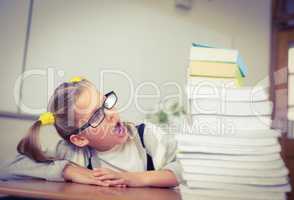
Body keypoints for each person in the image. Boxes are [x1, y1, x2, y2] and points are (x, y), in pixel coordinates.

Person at [0, 77, 182, 188]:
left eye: (106, 103)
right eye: (96, 116)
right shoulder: (73, 154)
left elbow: (188, 168)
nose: (111, 113)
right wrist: (68, 171)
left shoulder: (145, 137)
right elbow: (7, 168)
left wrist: (135, 179)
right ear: (79, 139)